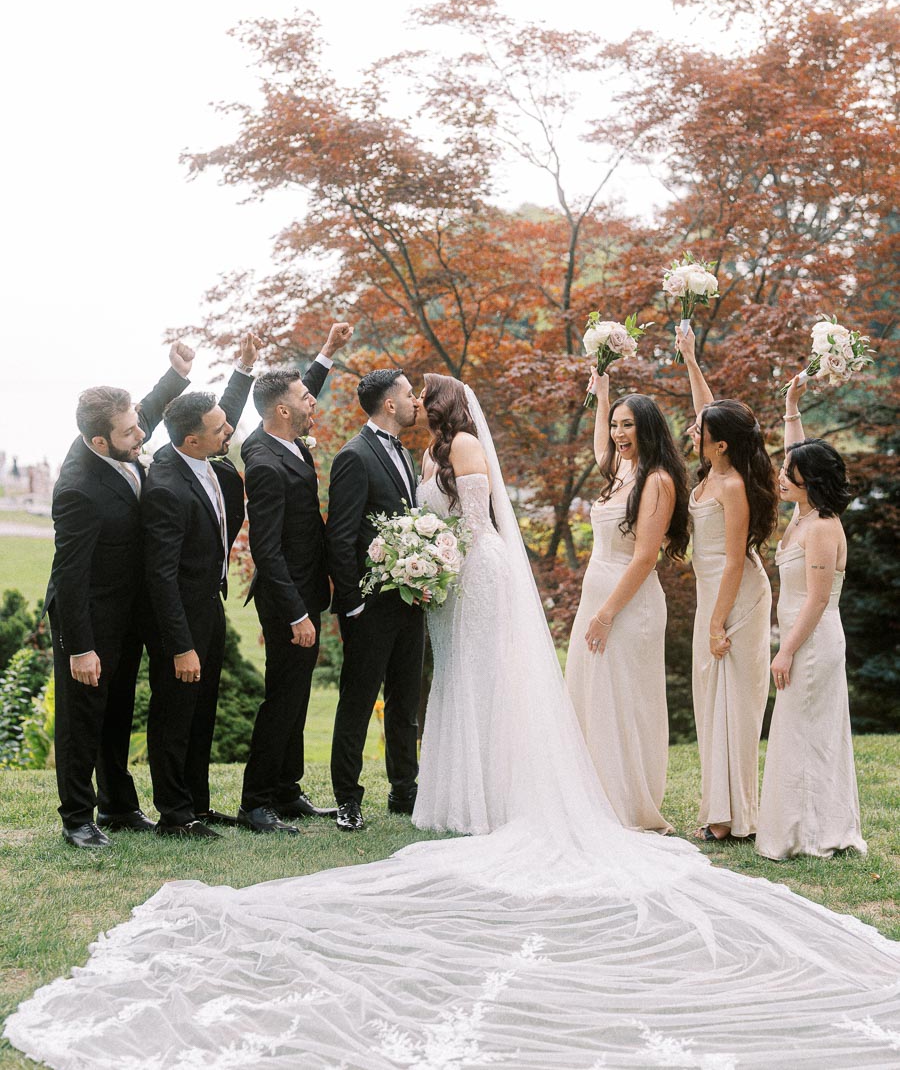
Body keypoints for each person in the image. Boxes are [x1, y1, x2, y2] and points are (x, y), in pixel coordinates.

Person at [7, 379, 900, 1066]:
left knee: (475, 691)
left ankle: (509, 792)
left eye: (415, 404)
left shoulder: (464, 449)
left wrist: (431, 555)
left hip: (476, 587)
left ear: (434, 413)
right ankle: (435, 789)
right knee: (450, 698)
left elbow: (476, 528)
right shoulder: (408, 453)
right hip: (449, 590)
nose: (411, 411)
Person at [44, 342, 194, 849]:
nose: (142, 435)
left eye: (137, 426)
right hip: (87, 616)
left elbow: (146, 411)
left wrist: (175, 375)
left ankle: (119, 806)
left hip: (127, 610)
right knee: (81, 717)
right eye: (130, 432)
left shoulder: (118, 435)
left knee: (117, 710)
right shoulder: (76, 491)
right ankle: (76, 818)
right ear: (99, 443)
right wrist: (80, 648)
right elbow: (69, 578)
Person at [142, 332, 260, 838]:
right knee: (174, 712)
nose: (228, 430)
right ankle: (174, 813)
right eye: (219, 430)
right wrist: (181, 645)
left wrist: (244, 370)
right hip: (179, 616)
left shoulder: (202, 453)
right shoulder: (166, 486)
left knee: (203, 707)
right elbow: (159, 575)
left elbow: (218, 412)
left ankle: (199, 803)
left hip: (208, 605)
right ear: (193, 442)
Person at [237, 322, 353, 833]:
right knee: (281, 698)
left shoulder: (287, 436)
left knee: (298, 694)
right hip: (287, 599)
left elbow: (300, 391)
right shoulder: (263, 462)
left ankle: (287, 791)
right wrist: (298, 613)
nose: (314, 402)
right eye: (306, 398)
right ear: (282, 411)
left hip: (307, 588)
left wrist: (326, 354)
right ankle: (256, 802)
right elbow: (265, 549)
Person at [564, 370, 690, 831]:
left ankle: (629, 803)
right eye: (616, 425)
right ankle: (593, 793)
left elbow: (645, 558)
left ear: (648, 429)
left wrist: (606, 615)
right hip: (597, 601)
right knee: (592, 697)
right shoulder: (620, 470)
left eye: (628, 426)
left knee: (625, 702)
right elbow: (600, 447)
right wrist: (603, 399)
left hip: (626, 605)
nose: (618, 434)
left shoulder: (656, 481)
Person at [755, 376, 866, 861]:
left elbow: (818, 602)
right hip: (803, 638)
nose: (781, 475)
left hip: (814, 641)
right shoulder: (803, 513)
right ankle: (800, 824)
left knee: (809, 732)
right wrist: (790, 404)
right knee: (796, 730)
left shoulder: (821, 527)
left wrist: (786, 649)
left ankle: (816, 831)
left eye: (789, 472)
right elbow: (798, 450)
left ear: (810, 482)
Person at [412, 372, 524, 833]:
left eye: (422, 395)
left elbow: (475, 523)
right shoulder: (428, 454)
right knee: (452, 672)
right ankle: (452, 796)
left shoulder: (465, 445)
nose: (415, 402)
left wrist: (440, 563)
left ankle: (492, 796)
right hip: (444, 576)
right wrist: (415, 559)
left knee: (480, 672)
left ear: (441, 403)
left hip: (476, 570)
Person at [326, 369, 424, 831]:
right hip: (369, 607)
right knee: (358, 703)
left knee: (405, 701)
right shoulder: (353, 456)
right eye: (408, 395)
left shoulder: (405, 453)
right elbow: (340, 539)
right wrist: (353, 605)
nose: (415, 401)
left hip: (410, 601)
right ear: (389, 404)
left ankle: (405, 789)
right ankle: (347, 799)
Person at [689, 397, 778, 841]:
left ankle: (734, 818)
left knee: (735, 705)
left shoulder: (733, 486)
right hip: (713, 596)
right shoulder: (709, 475)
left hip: (737, 598)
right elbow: (706, 407)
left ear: (720, 444)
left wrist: (715, 622)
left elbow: (734, 561)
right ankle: (718, 810)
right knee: (710, 701)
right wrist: (688, 358)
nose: (691, 430)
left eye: (699, 428)